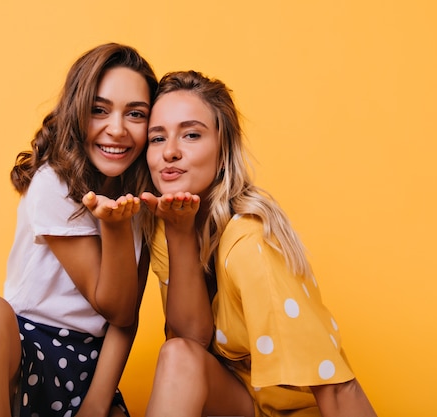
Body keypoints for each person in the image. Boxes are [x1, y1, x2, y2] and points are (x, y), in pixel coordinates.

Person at [140, 70, 377, 417]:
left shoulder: (250, 241)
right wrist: (180, 234)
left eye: (191, 134)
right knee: (178, 354)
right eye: (157, 138)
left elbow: (336, 386)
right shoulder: (168, 226)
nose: (170, 152)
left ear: (224, 151)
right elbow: (189, 343)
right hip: (240, 404)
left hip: (291, 412)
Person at [0, 43, 158, 417]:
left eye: (135, 114)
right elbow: (110, 303)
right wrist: (113, 228)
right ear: (75, 112)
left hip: (92, 367)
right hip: (24, 352)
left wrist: (96, 403)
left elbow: (125, 318)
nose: (117, 129)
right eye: (99, 110)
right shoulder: (52, 183)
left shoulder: (143, 198)